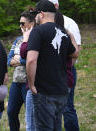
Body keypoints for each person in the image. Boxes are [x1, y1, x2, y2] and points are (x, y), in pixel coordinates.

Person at [26, 0, 79, 130]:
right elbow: (75, 53)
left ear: (42, 14)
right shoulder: (63, 32)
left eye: (35, 14)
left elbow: (31, 60)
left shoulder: (37, 32)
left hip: (44, 92)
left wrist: (31, 84)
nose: (35, 18)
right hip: (61, 91)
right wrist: (70, 34)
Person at [48, 0, 81, 130]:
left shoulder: (69, 23)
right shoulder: (43, 22)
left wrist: (64, 70)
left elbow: (76, 50)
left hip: (65, 72)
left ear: (56, 6)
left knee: (67, 108)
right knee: (51, 110)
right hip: (48, 73)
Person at [7, 7, 35, 131]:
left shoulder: (36, 38)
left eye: (22, 23)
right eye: (19, 23)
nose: (20, 26)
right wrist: (20, 60)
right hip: (16, 81)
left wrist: (19, 60)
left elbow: (30, 60)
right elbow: (8, 60)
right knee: (11, 112)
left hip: (28, 83)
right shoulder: (18, 40)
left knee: (30, 116)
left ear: (31, 23)